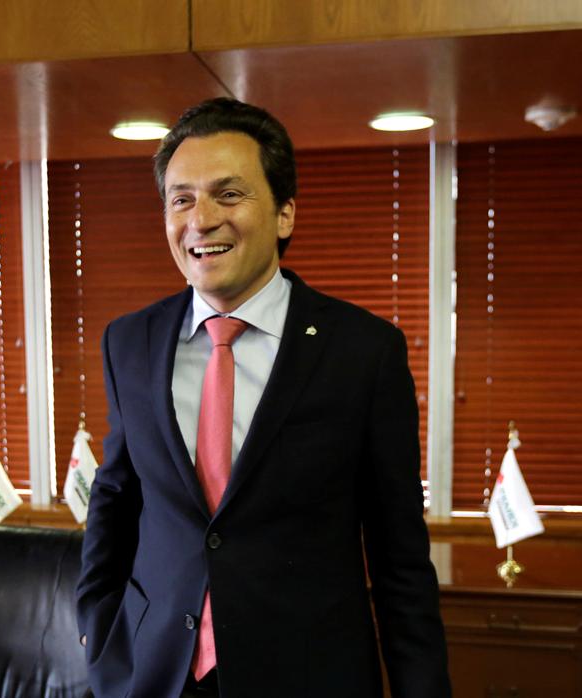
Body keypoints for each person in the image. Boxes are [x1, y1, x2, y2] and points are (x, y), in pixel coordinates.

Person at [76, 97, 451, 698]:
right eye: (181, 199)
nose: (201, 220)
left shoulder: (363, 351)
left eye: (228, 194)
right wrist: (97, 630)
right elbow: (116, 497)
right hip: (155, 671)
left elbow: (398, 553)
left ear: (284, 214)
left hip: (305, 674)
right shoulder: (129, 342)